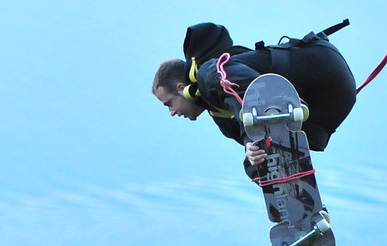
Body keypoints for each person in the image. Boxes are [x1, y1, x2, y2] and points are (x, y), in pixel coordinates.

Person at [152, 22, 356, 168]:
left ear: (181, 88)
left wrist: (251, 137)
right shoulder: (223, 118)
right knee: (258, 158)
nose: (172, 112)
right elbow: (249, 135)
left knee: (256, 126)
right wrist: (252, 160)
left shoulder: (210, 73)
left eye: (169, 103)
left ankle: (284, 111)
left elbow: (251, 92)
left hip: (321, 67)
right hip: (329, 104)